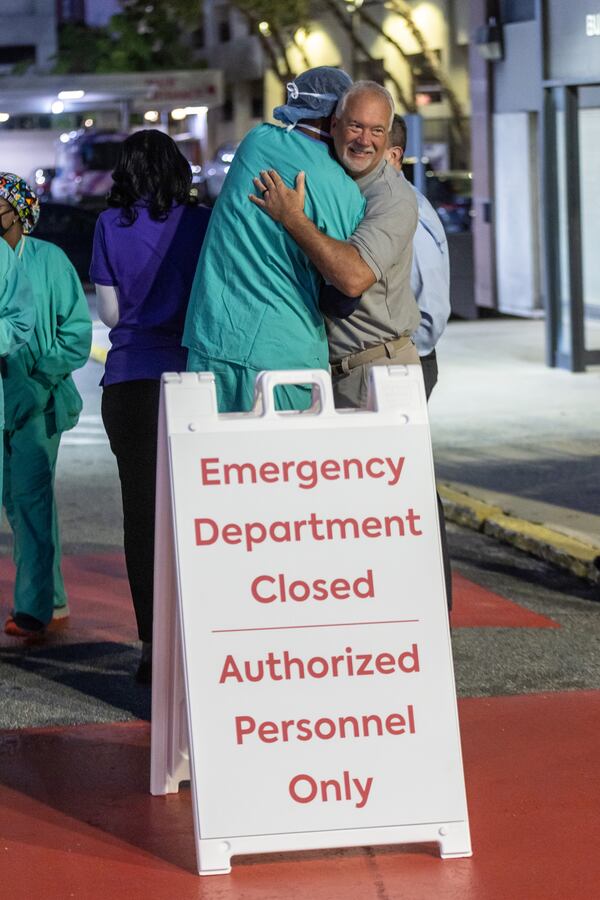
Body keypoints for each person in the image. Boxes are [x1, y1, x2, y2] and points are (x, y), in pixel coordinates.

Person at [90, 130, 211, 683]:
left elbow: (112, 315)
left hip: (130, 382)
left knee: (142, 518)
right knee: (199, 516)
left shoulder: (108, 225)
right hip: (190, 380)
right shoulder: (200, 222)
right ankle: (203, 635)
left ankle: (149, 647)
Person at [183, 66, 366, 413]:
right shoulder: (344, 191)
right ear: (337, 118)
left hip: (215, 338)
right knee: (279, 466)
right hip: (284, 353)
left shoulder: (256, 142)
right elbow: (341, 299)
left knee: (218, 463)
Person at [250, 80, 421, 410]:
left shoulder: (392, 198)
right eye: (356, 126)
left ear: (389, 139)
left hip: (376, 370)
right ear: (334, 125)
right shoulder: (332, 180)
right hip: (333, 370)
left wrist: (293, 218)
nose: (364, 140)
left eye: (376, 131)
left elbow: (353, 277)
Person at [0, 172, 91, 638]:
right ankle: (51, 598)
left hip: (39, 402)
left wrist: (38, 381)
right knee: (15, 504)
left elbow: (76, 334)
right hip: (4, 401)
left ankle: (36, 609)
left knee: (31, 503)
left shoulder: (50, 261)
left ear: (17, 211)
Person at [386, 115, 450, 400]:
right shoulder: (387, 202)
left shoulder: (407, 208)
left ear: (393, 154)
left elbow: (431, 306)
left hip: (407, 362)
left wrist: (407, 351)